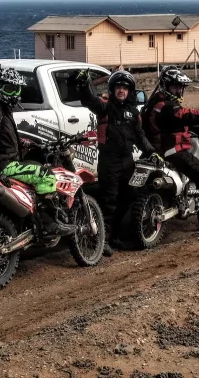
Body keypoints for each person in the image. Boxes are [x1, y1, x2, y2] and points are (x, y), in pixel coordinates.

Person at [0, 68, 77, 236]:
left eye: (17, 89)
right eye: (10, 89)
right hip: (2, 166)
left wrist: (26, 144)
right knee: (45, 174)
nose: (15, 93)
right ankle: (49, 224)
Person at [71, 68, 160, 256]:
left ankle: (115, 237)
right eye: (118, 87)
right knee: (109, 201)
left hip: (127, 161)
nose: (122, 90)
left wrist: (151, 151)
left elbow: (140, 136)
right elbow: (89, 99)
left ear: (129, 91)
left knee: (127, 197)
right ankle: (101, 241)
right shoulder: (104, 106)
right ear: (113, 89)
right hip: (108, 161)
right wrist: (84, 84)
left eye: (125, 88)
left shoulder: (134, 112)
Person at [142, 66, 199, 232]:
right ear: (166, 85)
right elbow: (189, 115)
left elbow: (172, 125)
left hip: (153, 149)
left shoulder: (153, 103)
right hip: (171, 151)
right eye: (176, 86)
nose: (179, 90)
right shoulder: (168, 106)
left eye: (181, 87)